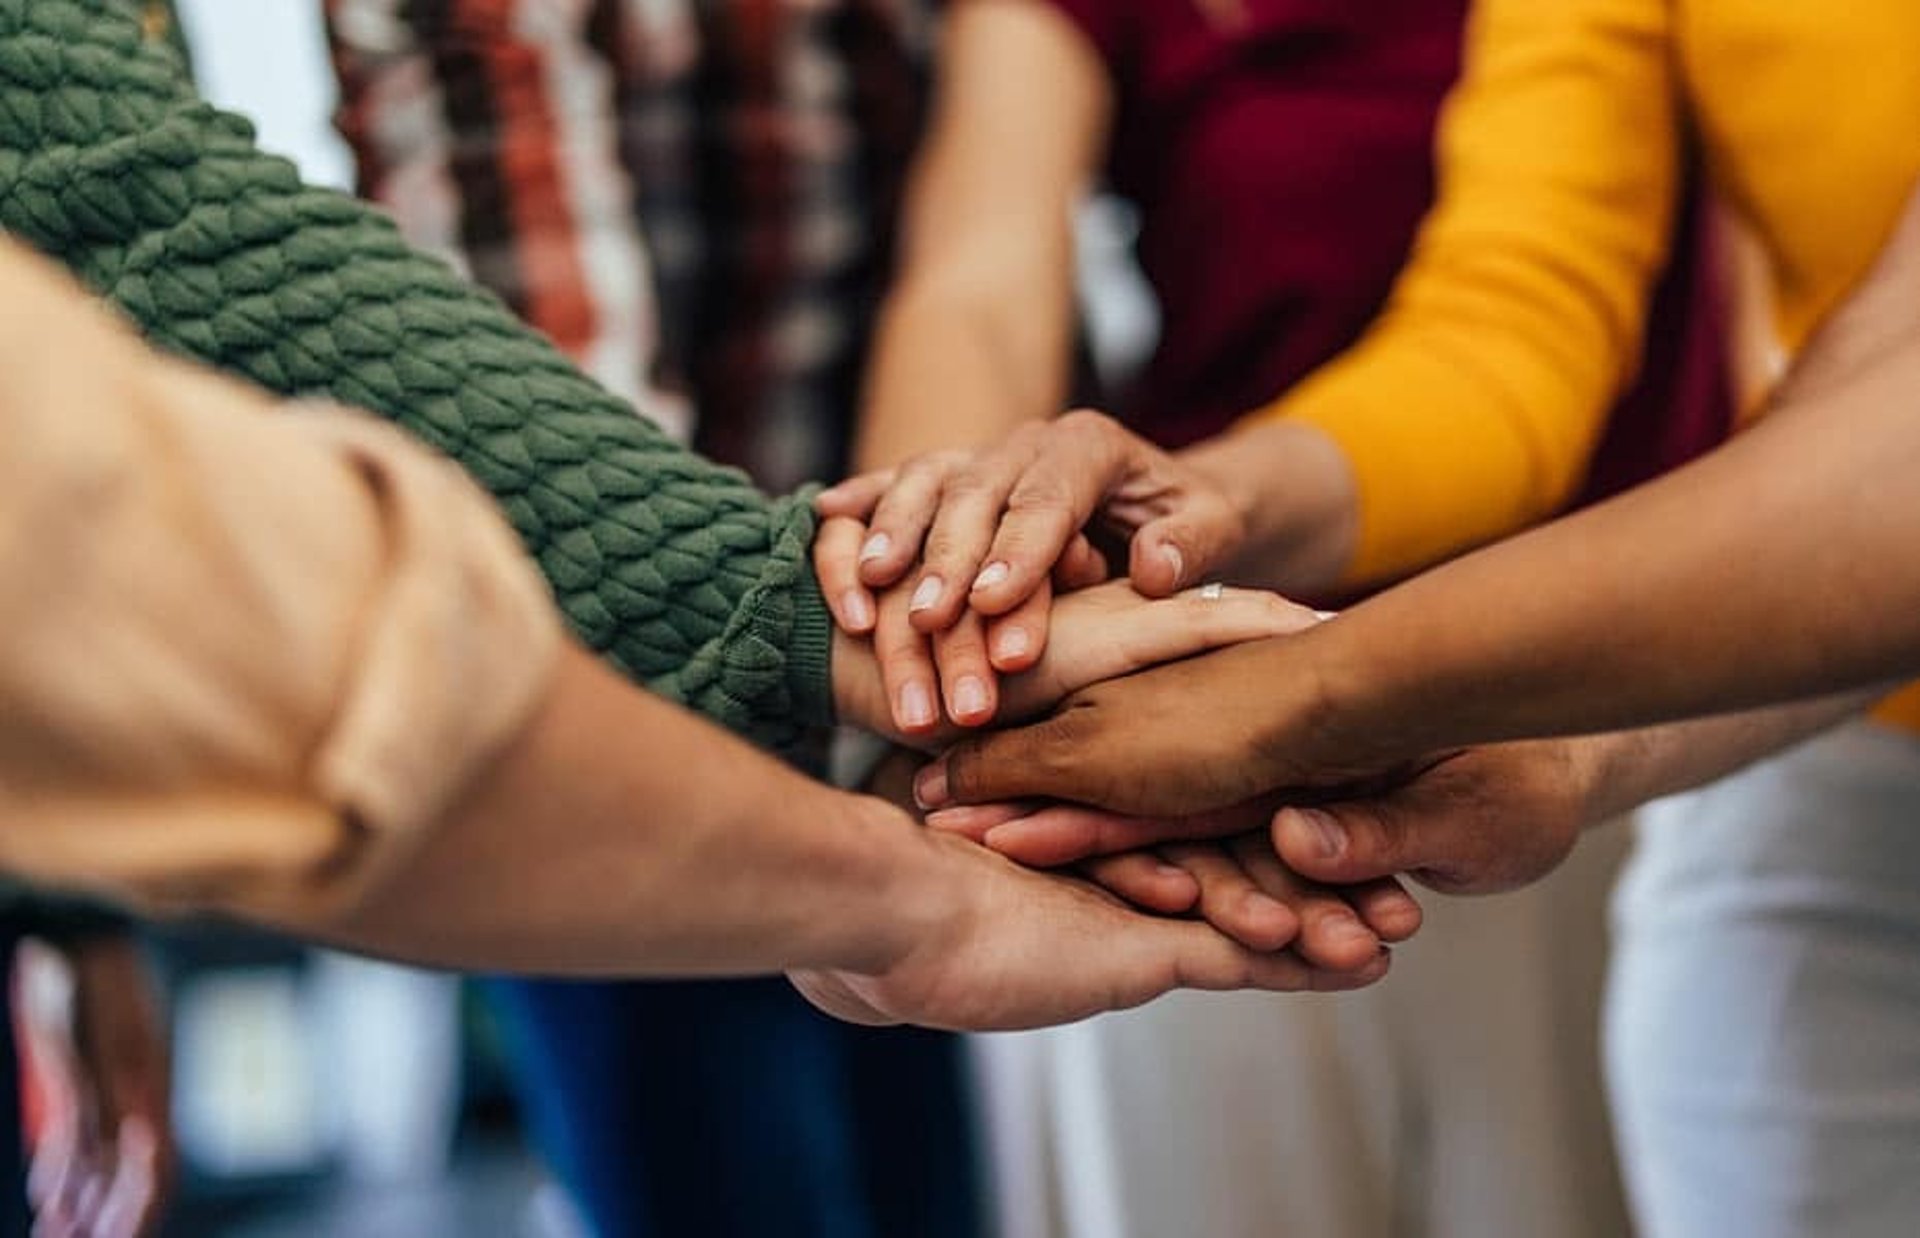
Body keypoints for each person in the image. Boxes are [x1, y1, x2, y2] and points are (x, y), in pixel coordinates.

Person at [833, 0, 1920, 1229]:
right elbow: (1514, 319)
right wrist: (1203, 504)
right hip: (1786, 739)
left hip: (1627, 670)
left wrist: (1306, 692)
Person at [0, 234, 1398, 1036]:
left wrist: (929, 612)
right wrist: (876, 617)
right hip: (630, 687)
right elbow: (231, 609)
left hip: (842, 676)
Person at [318, 3, 969, 1232]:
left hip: (901, 706)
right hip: (618, 692)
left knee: (919, 1183)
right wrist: (828, 644)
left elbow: (971, 237)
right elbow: (537, 323)